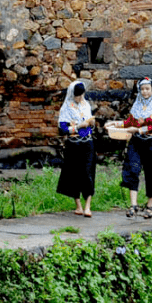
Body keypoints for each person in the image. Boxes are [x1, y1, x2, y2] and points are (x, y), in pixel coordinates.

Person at [121, 78, 152, 219]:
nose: (145, 91)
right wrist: (115, 124)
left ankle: (150, 204)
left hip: (150, 141)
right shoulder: (137, 106)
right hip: (136, 142)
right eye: (142, 89)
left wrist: (140, 130)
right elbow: (129, 122)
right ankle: (133, 205)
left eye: (147, 89)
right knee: (132, 169)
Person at [56, 80, 96, 217]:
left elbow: (90, 123)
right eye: (77, 95)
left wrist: (91, 123)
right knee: (75, 174)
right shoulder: (66, 108)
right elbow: (63, 128)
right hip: (74, 143)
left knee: (88, 172)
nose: (80, 98)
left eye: (81, 95)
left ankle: (88, 206)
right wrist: (78, 127)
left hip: (87, 143)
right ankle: (78, 205)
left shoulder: (86, 105)